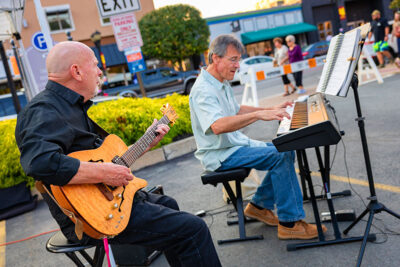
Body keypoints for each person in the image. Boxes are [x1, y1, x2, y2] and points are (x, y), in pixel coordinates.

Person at [15, 41, 221, 267]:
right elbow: (40, 162)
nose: (100, 71)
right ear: (76, 71)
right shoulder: (43, 110)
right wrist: (103, 173)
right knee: (194, 229)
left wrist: (146, 143)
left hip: (110, 200)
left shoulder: (71, 106)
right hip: (86, 217)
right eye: (95, 65)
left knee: (169, 204)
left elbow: (106, 160)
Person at [189, 34, 327, 240]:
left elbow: (236, 110)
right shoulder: (203, 90)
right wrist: (259, 115)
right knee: (280, 155)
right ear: (215, 58)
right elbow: (217, 126)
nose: (238, 65)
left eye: (239, 59)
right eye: (233, 59)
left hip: (233, 146)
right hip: (220, 154)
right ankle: (289, 223)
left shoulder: (220, 80)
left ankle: (259, 206)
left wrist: (269, 109)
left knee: (284, 148)